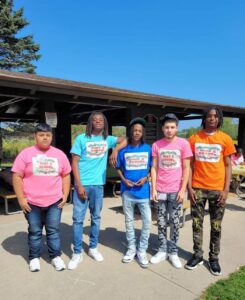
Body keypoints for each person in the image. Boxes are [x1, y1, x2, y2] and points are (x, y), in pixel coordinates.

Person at [68, 111, 126, 270]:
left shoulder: (108, 139)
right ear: (90, 123)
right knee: (78, 219)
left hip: (98, 186)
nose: (98, 122)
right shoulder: (81, 138)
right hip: (83, 184)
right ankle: (77, 252)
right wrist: (78, 184)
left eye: (101, 120)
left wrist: (115, 150)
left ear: (104, 123)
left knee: (96, 217)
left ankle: (93, 247)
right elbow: (74, 162)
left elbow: (125, 140)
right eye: (95, 120)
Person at [12, 123, 71, 272]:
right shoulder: (25, 154)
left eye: (48, 135)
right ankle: (34, 257)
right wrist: (21, 199)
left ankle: (55, 256)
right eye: (41, 135)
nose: (45, 138)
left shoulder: (59, 154)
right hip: (32, 203)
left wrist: (65, 195)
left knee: (53, 231)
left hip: (54, 201)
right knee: (35, 231)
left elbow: (66, 175)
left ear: (51, 136)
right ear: (35, 136)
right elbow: (17, 176)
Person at [185, 107, 236, 276]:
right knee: (197, 224)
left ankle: (213, 258)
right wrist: (189, 187)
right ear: (205, 119)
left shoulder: (225, 139)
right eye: (209, 116)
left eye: (215, 116)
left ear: (219, 119)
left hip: (217, 189)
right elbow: (189, 165)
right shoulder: (194, 138)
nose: (212, 119)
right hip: (197, 188)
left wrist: (226, 189)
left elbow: (229, 166)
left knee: (216, 226)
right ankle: (197, 255)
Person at [150, 113, 192, 268]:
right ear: (162, 128)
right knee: (160, 222)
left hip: (176, 191)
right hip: (160, 189)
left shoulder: (183, 144)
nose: (169, 130)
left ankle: (173, 252)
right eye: (166, 127)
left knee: (175, 222)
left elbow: (187, 168)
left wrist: (183, 190)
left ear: (177, 128)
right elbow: (153, 168)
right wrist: (153, 188)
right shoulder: (156, 145)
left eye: (172, 127)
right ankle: (162, 250)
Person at [116, 117, 152, 268]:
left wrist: (146, 177)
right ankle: (131, 248)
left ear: (142, 133)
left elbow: (152, 168)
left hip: (143, 192)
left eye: (139, 131)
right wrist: (123, 180)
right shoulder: (123, 150)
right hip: (127, 193)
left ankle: (142, 250)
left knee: (147, 221)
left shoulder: (148, 149)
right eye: (134, 130)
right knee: (128, 222)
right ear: (131, 132)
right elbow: (118, 167)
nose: (137, 133)